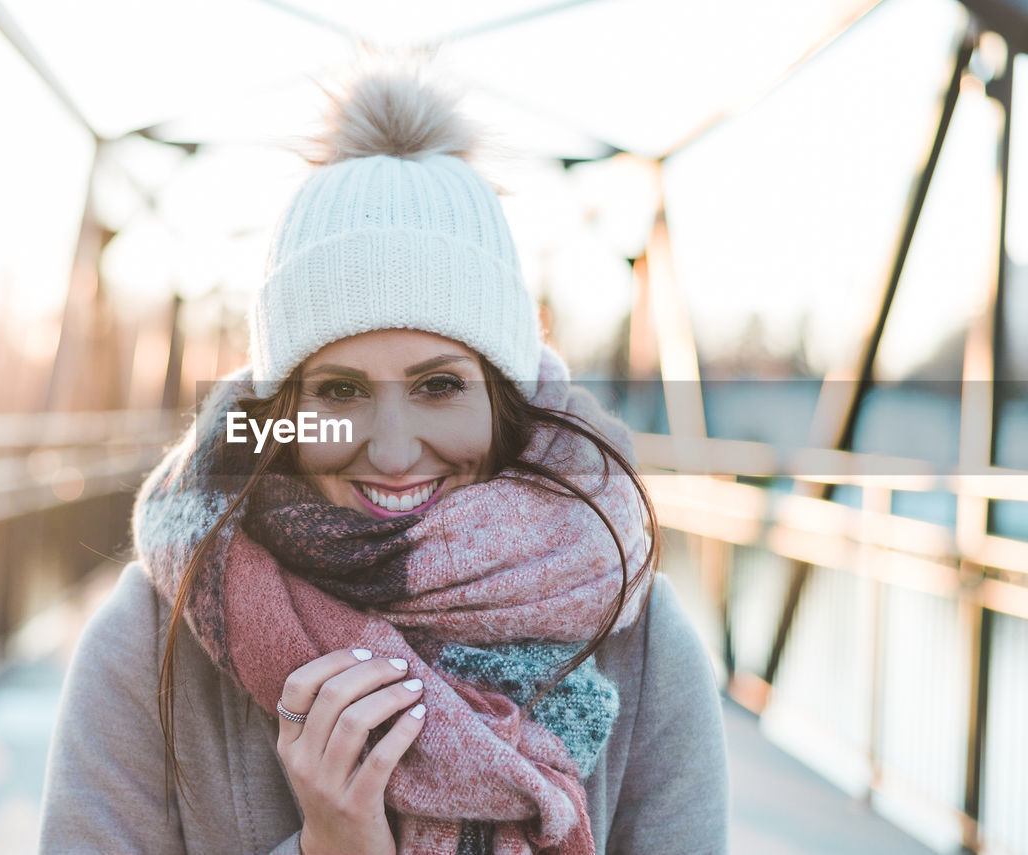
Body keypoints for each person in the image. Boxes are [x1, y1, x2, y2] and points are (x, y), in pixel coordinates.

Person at [38, 56, 728, 855]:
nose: (394, 452)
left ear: (506, 403)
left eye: (439, 386)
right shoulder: (150, 636)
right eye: (338, 391)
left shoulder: (639, 646)